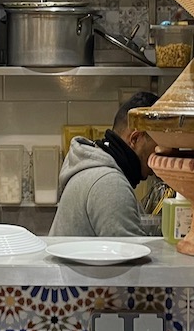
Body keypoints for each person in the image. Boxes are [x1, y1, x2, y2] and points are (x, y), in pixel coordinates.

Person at [49, 91, 160, 238]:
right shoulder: (109, 184)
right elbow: (129, 256)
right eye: (160, 143)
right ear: (135, 139)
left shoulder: (97, 168)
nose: (162, 152)